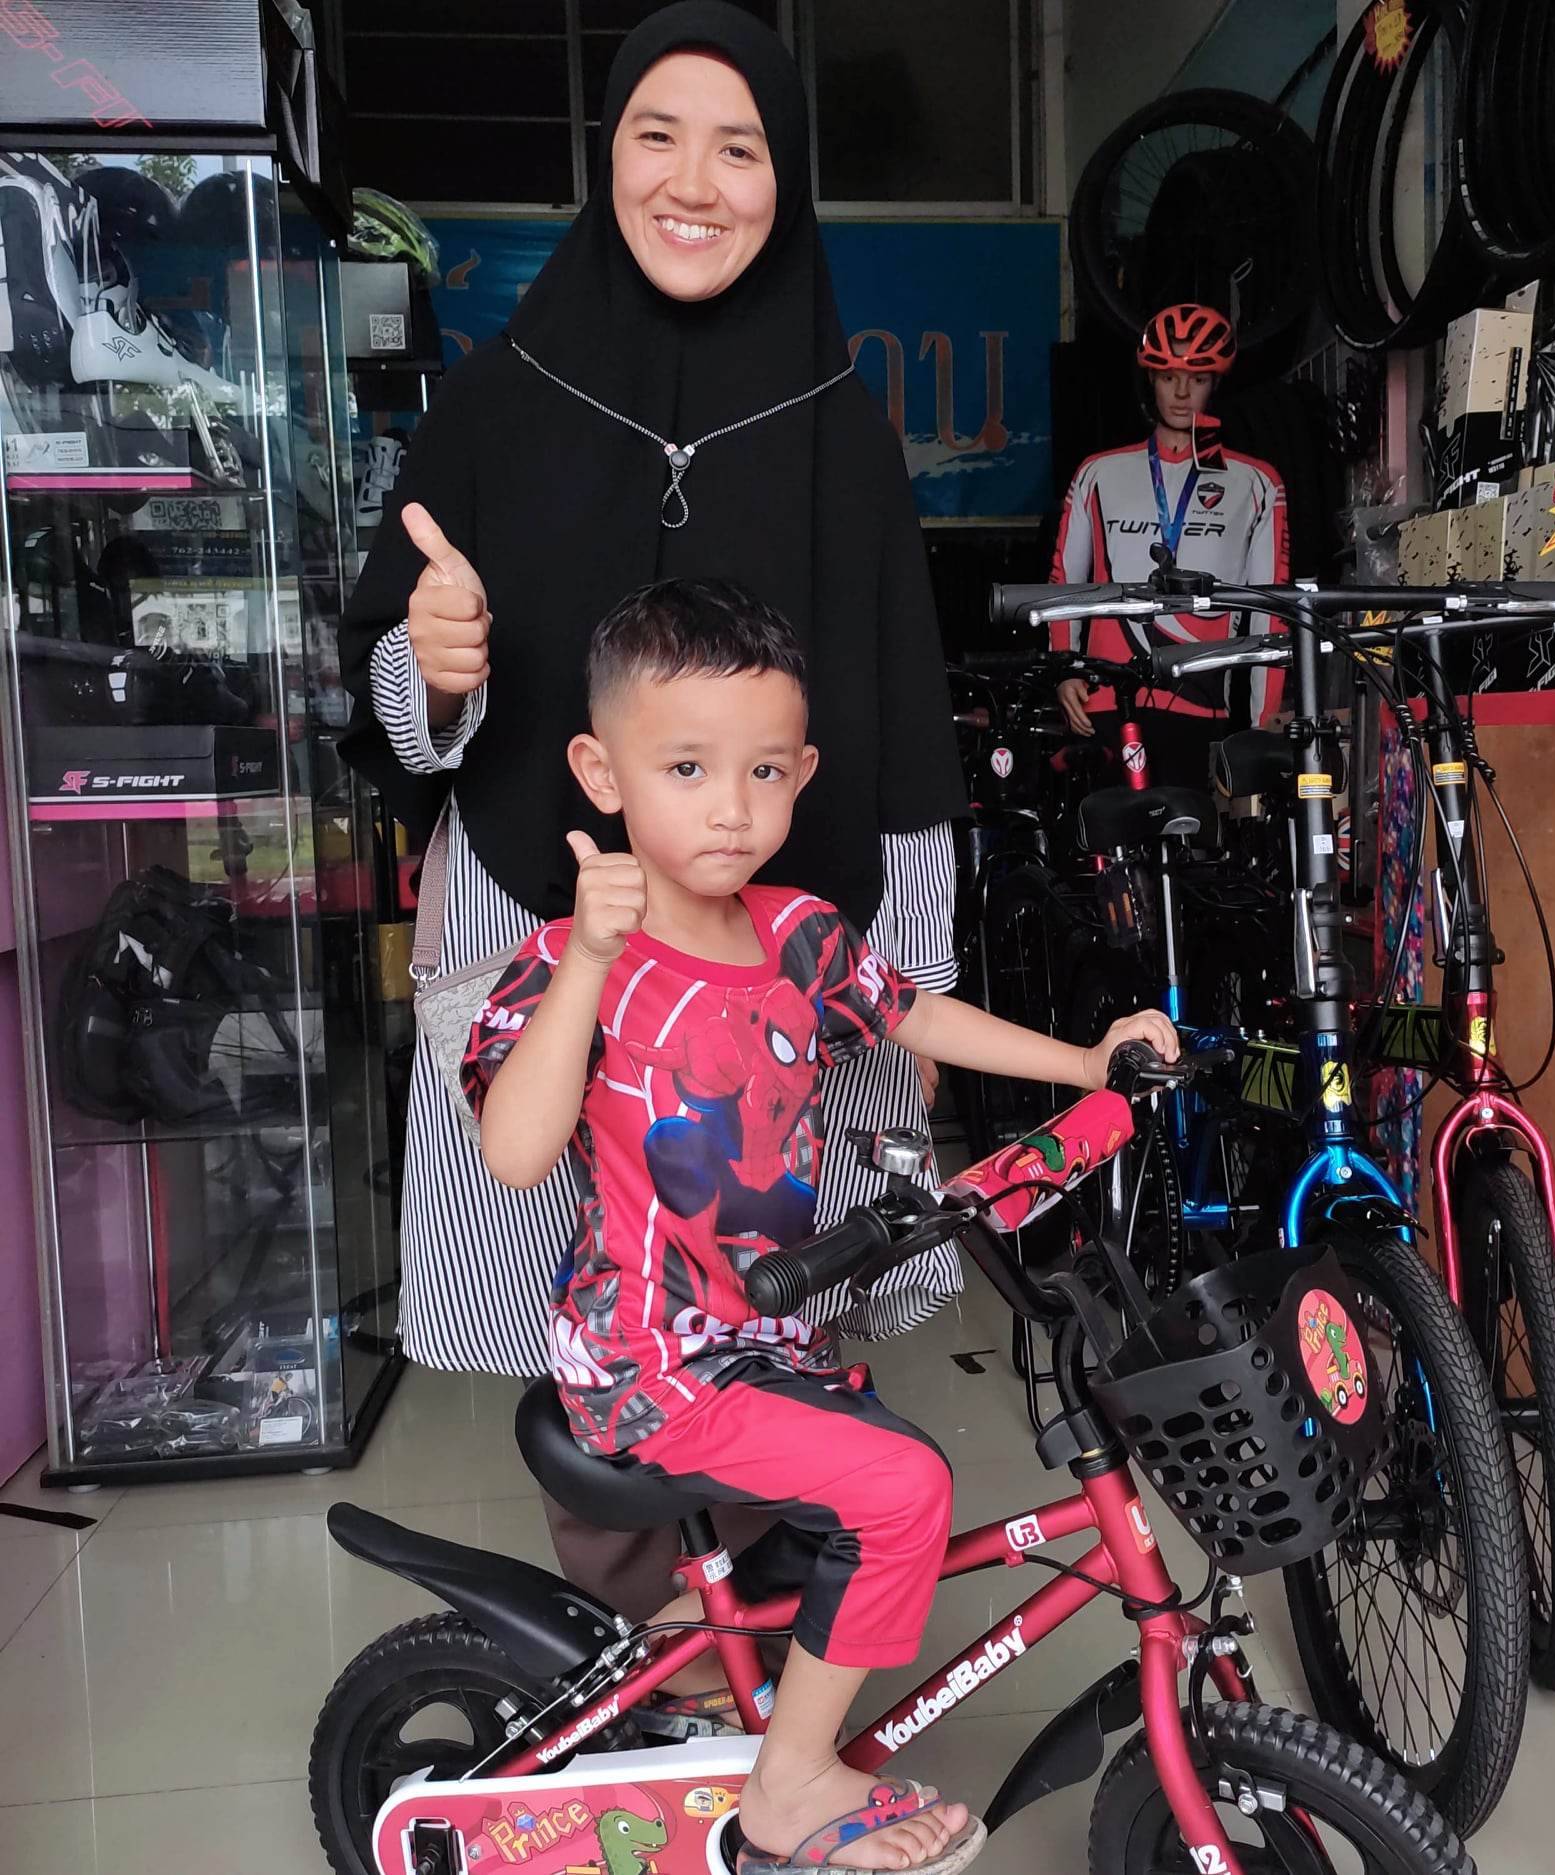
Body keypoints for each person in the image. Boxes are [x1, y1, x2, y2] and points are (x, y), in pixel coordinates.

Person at [337, 3, 967, 1624]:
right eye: (655, 137)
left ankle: (761, 1636)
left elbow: (900, 727)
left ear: (786, 177)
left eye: (738, 147)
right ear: (604, 157)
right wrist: (435, 665)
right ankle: (638, 1646)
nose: (695, 182)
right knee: (585, 1320)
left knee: (781, 1294)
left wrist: (914, 968)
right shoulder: (500, 401)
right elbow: (392, 704)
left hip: (780, 970)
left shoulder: (839, 425)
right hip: (554, 942)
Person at [464, 577, 1176, 1873]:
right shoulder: (572, 958)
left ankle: (699, 1669)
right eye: (686, 767)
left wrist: (1085, 1063)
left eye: (762, 771)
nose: (729, 808)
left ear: (801, 775)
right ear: (602, 774)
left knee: (850, 1489)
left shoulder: (797, 932)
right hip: (649, 1353)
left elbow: (913, 1013)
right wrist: (586, 963)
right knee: (905, 1486)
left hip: (770, 1335)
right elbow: (513, 1154)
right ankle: (787, 1786)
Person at [1049, 302, 1291, 787]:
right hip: (1108, 699)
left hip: (1202, 701)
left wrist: (1261, 720)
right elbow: (1066, 580)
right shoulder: (1098, 473)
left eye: (1196, 378)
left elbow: (1270, 605)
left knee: (1195, 830)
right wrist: (1065, 670)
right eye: (1168, 377)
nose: (1181, 393)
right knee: (1107, 829)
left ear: (1215, 383)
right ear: (1150, 381)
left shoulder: (1257, 483)